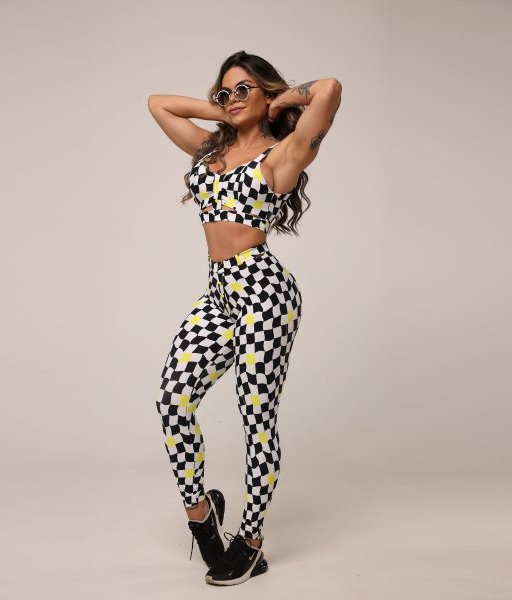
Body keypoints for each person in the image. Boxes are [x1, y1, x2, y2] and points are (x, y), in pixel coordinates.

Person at [148, 50, 341, 586]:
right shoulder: (210, 150)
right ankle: (201, 516)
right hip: (218, 293)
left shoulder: (283, 154)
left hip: (263, 293)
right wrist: (224, 112)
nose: (231, 99)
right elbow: (157, 104)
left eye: (242, 90)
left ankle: (251, 542)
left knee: (256, 417)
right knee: (173, 399)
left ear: (265, 93)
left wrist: (279, 101)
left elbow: (329, 88)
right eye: (224, 91)